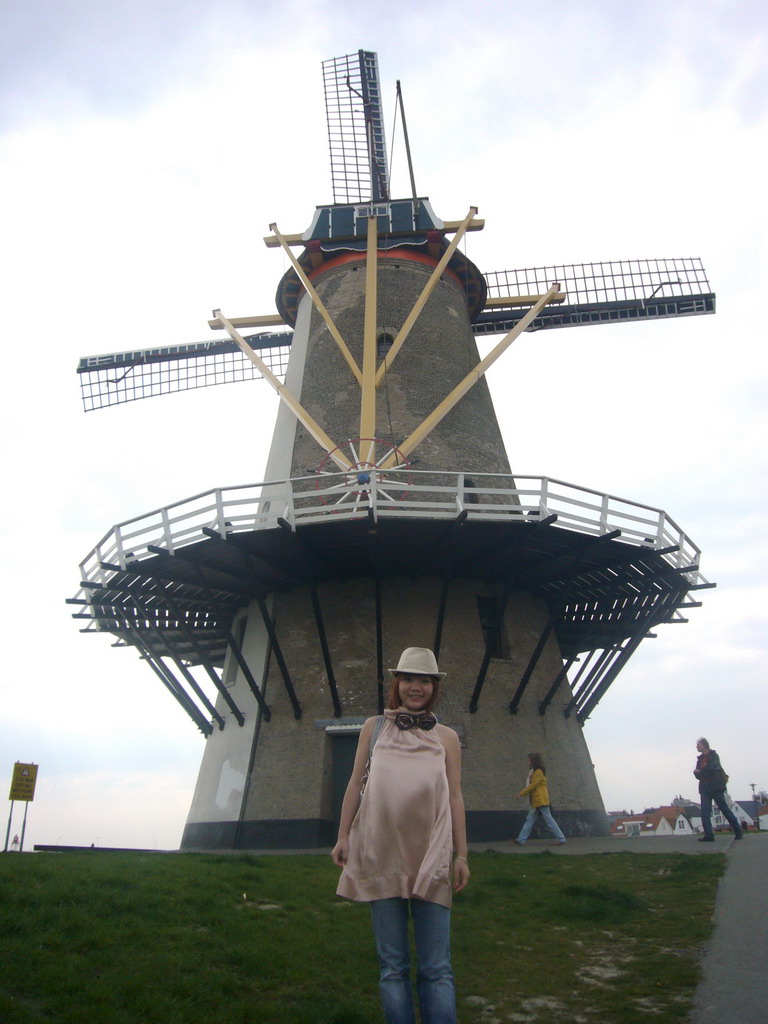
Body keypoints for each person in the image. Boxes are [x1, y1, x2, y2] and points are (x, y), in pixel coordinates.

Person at [331, 647, 469, 1024]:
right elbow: (355, 783)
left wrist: (462, 855)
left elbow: (455, 795)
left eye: (424, 680)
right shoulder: (373, 728)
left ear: (434, 687)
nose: (415, 687)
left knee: (436, 966)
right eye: (408, 678)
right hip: (382, 851)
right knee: (392, 966)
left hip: (432, 854)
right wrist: (343, 836)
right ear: (397, 684)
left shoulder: (447, 737)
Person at [693, 737, 742, 841]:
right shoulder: (700, 759)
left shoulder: (714, 756)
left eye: (698, 745)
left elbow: (712, 768)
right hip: (704, 787)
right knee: (705, 812)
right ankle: (709, 835)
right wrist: (698, 773)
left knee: (724, 808)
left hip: (715, 786)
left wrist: (700, 771)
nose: (696, 747)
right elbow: (699, 774)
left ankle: (738, 830)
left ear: (704, 745)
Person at [513, 752, 566, 846]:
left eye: (529, 760)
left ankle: (561, 838)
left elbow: (533, 785)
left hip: (540, 799)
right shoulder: (535, 771)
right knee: (530, 819)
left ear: (533, 761)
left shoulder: (538, 772)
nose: (528, 762)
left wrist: (521, 794)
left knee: (548, 819)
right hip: (536, 800)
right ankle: (521, 839)